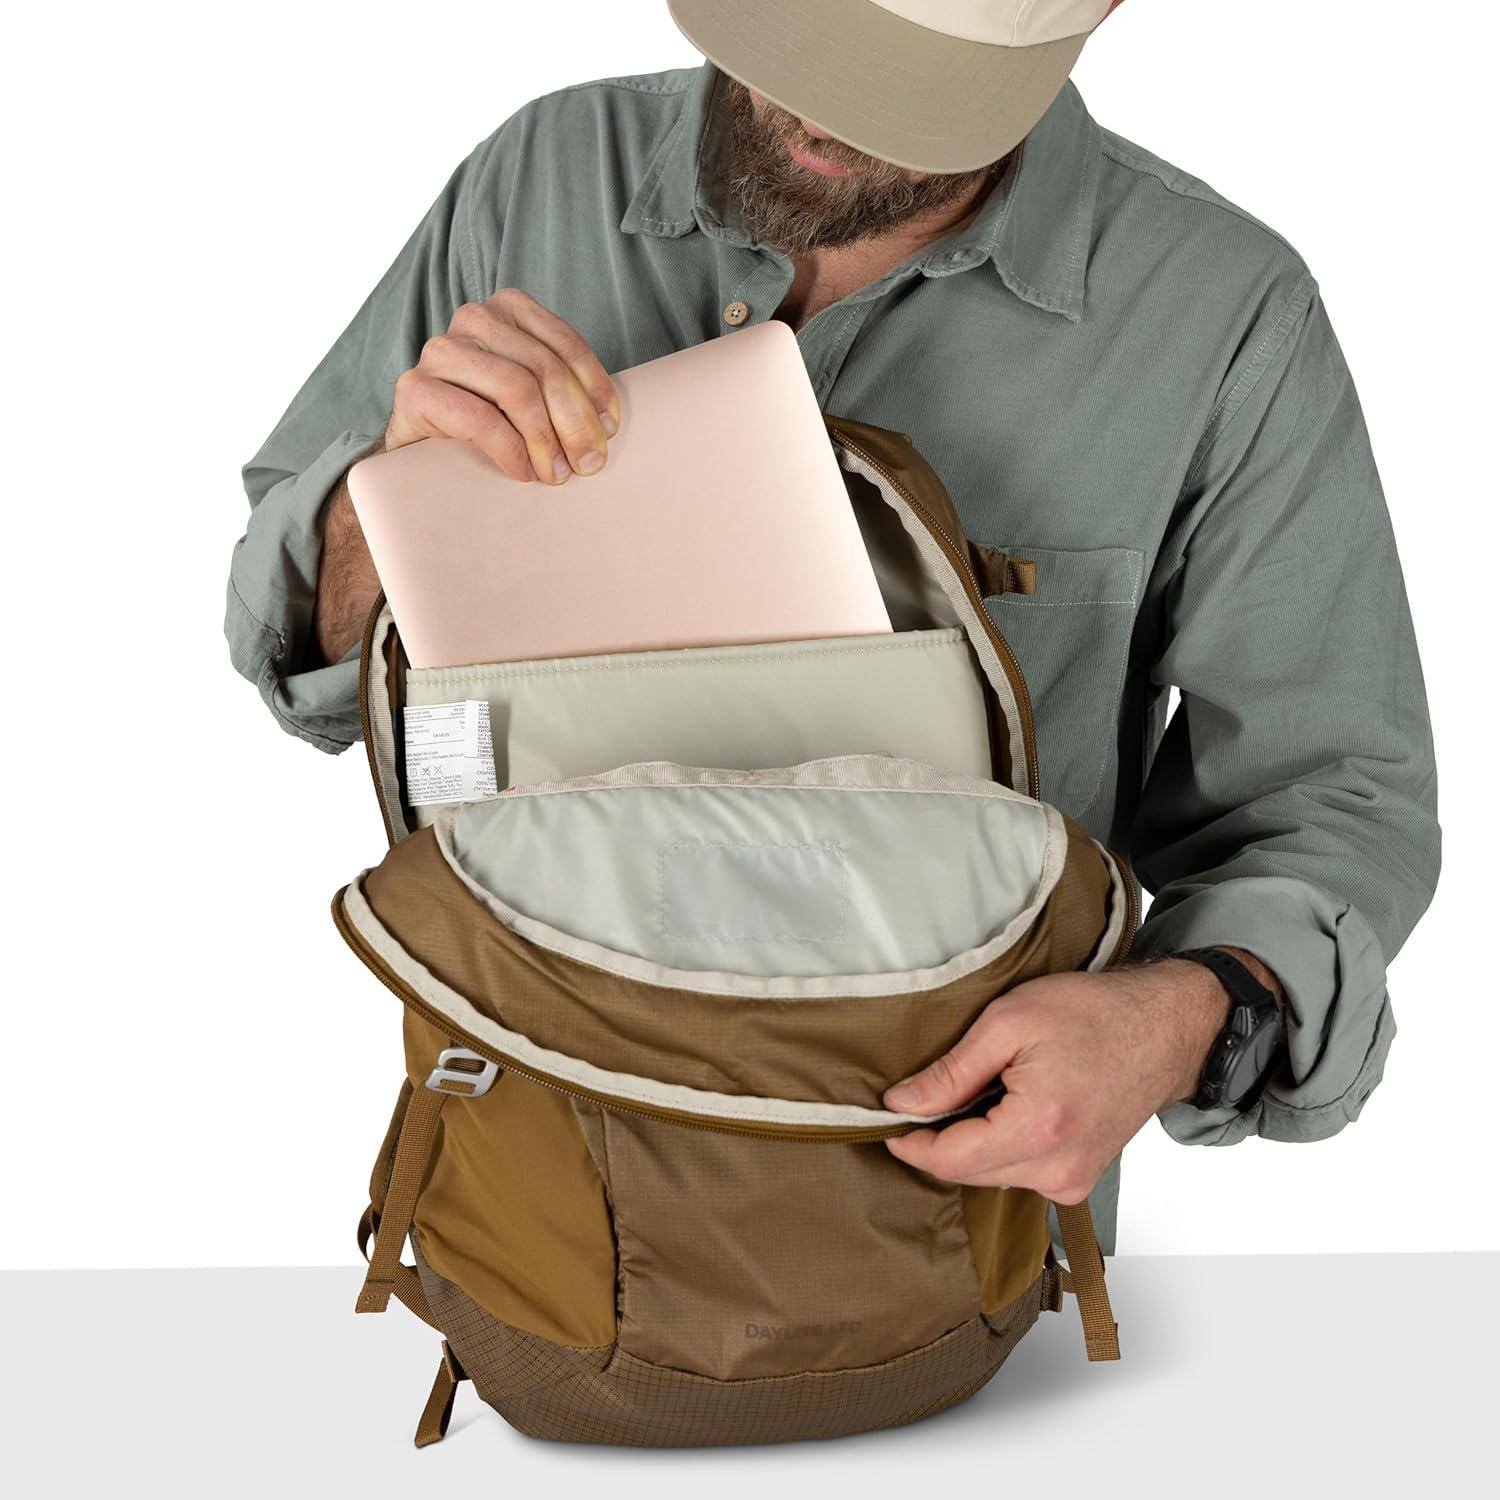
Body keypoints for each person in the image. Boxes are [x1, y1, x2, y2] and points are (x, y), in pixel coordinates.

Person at [224, 0, 1440, 1246]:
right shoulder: (539, 175)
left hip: (944, 1225)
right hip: (527, 1195)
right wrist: (384, 501)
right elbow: (302, 654)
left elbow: (1337, 798)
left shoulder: (1224, 316)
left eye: (902, 86)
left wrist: (1177, 1018)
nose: (816, 111)